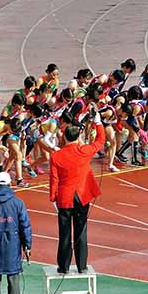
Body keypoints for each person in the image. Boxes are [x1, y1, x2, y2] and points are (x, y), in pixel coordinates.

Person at [49, 104, 105, 274]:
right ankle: (82, 265)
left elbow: (54, 178)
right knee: (81, 231)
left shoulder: (56, 155)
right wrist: (98, 122)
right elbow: (100, 141)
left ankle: (63, 266)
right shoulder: (84, 151)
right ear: (77, 137)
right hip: (82, 196)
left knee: (64, 234)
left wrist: (53, 197)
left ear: (65, 137)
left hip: (65, 198)